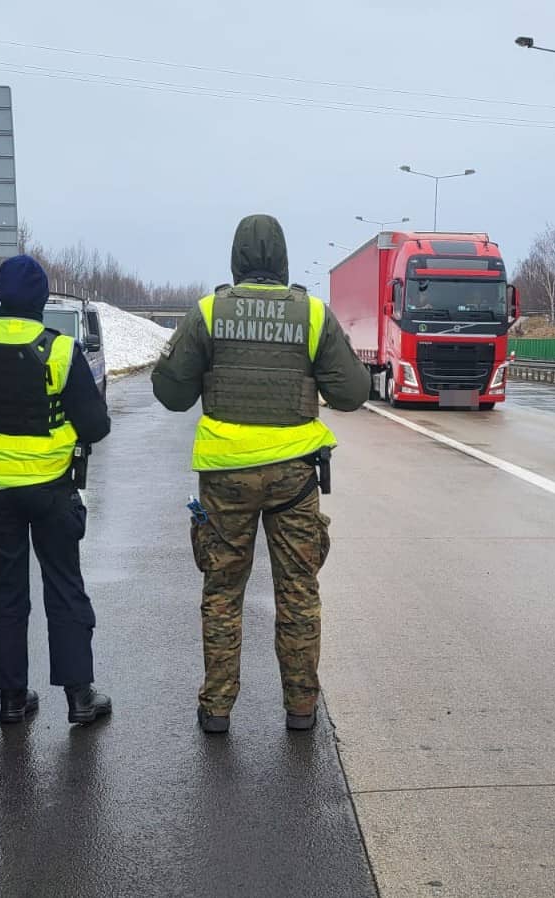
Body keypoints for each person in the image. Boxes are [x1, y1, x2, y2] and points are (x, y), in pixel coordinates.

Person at [151, 214, 370, 734]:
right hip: (294, 479)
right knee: (298, 589)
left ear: (237, 258)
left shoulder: (207, 312)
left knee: (223, 591)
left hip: (225, 479)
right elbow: (353, 394)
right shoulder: (313, 315)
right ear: (282, 259)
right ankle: (300, 707)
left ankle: (218, 708)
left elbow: (171, 394)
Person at [0, 255, 113, 727]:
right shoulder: (60, 350)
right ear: (39, 300)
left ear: (1, 297)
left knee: (5, 592)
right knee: (64, 586)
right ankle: (79, 697)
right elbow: (95, 426)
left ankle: (12, 699)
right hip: (52, 490)